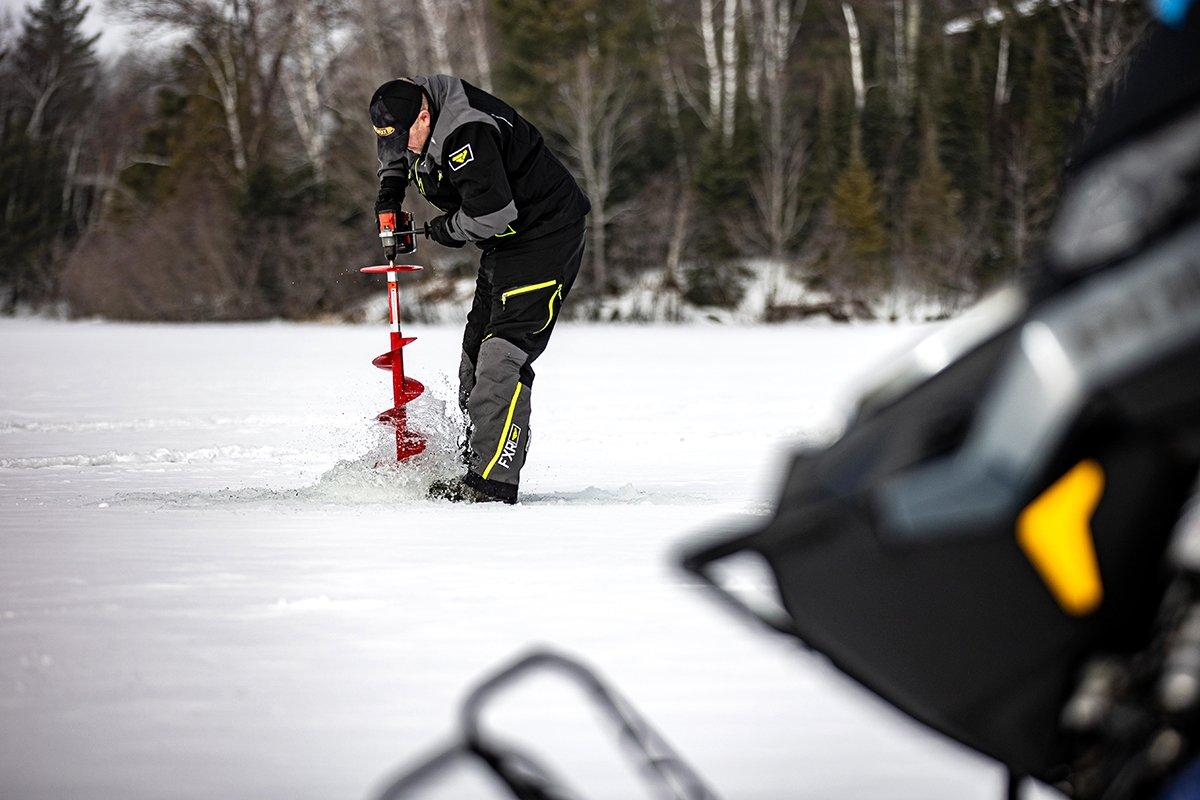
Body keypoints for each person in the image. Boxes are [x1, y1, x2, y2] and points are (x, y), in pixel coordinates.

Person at [369, 76, 590, 504]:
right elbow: (394, 154)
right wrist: (388, 196)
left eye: (406, 137)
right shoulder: (410, 116)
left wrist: (436, 229)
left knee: (502, 356)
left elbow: (491, 214)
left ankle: (492, 484)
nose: (403, 148)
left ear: (425, 115)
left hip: (544, 236)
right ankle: (473, 464)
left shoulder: (466, 131)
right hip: (506, 242)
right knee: (474, 354)